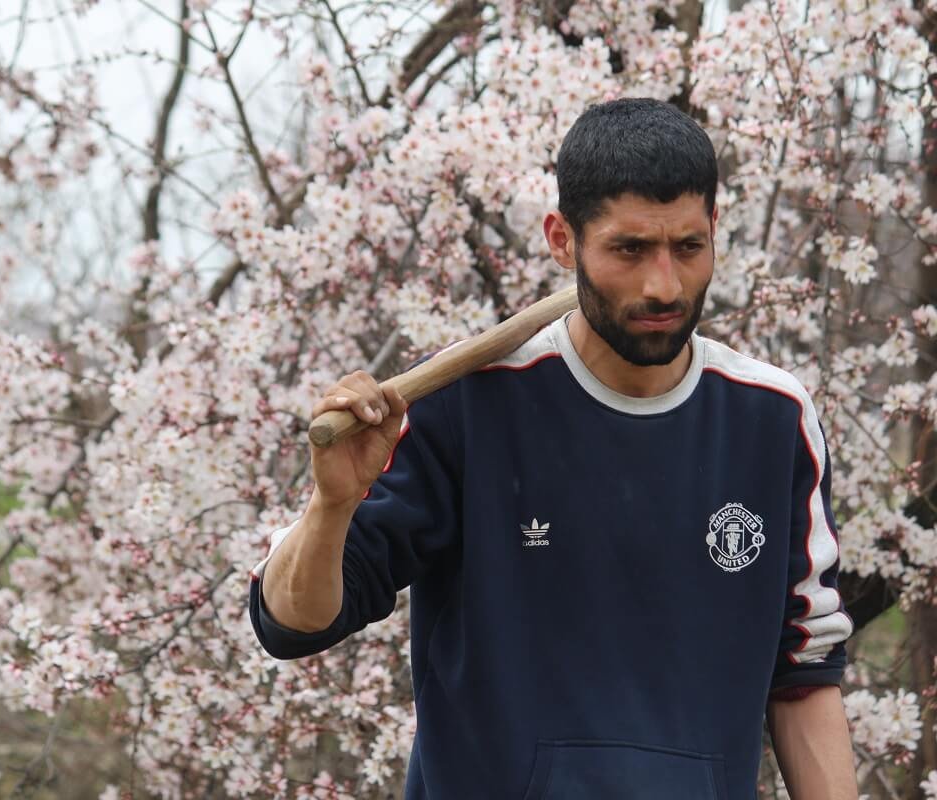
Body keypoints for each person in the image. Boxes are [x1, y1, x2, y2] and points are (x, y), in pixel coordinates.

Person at [247, 97, 858, 799]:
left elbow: (805, 677)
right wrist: (331, 506)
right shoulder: (465, 404)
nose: (664, 284)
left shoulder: (772, 417)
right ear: (562, 240)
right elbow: (291, 624)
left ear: (715, 231)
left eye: (688, 247)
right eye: (629, 249)